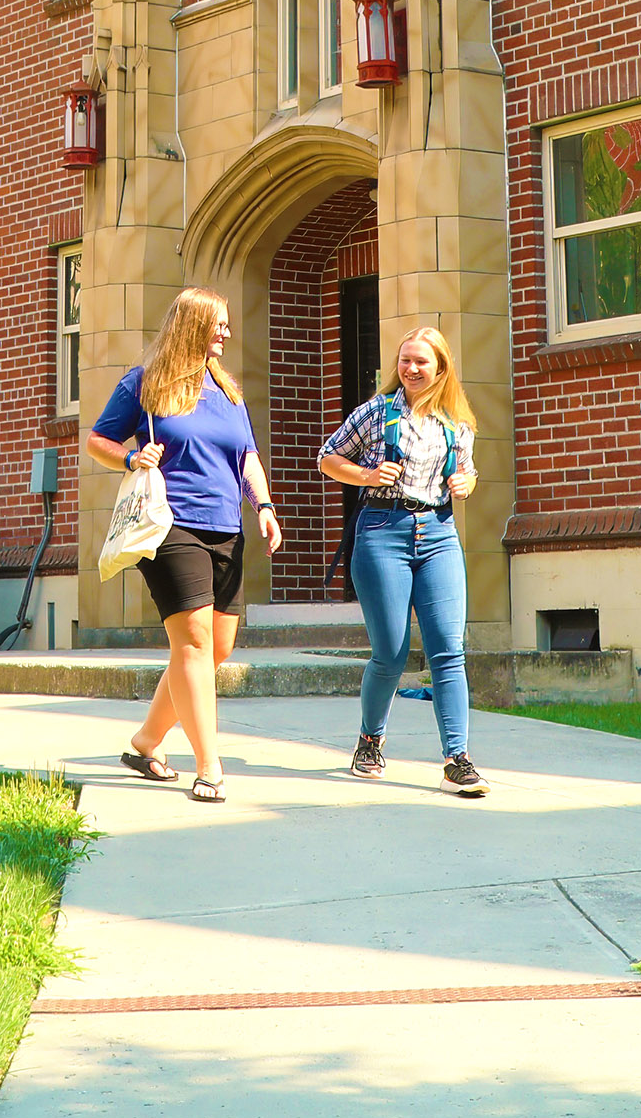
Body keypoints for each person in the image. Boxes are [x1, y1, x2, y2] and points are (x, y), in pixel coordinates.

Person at [88, 288, 279, 804]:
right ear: (192, 325)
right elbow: (99, 439)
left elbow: (247, 458)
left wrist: (263, 506)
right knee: (192, 643)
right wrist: (131, 459)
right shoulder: (145, 383)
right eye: (218, 324)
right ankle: (209, 767)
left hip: (227, 528)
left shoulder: (227, 390)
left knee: (215, 649)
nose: (226, 333)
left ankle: (146, 740)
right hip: (171, 526)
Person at [318, 323, 485, 796]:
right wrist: (368, 473)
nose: (410, 369)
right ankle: (370, 740)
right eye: (405, 360)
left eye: (421, 362)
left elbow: (469, 474)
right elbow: (327, 458)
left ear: (441, 369)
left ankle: (458, 758)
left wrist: (465, 484)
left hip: (438, 535)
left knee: (448, 651)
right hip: (381, 532)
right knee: (390, 652)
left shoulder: (458, 423)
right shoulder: (376, 412)